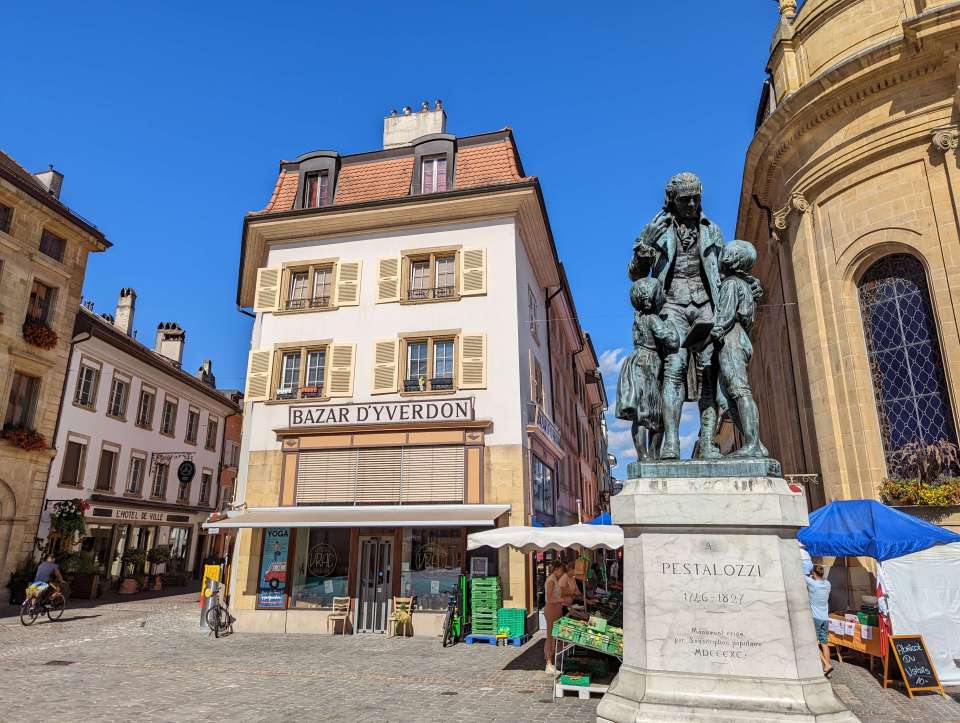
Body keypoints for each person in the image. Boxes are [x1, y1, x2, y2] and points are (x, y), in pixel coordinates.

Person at [709, 240, 768, 457]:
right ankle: (755, 444)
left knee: (740, 391)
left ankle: (753, 444)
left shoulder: (732, 284)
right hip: (739, 337)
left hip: (731, 337)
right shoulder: (744, 285)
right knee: (726, 397)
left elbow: (724, 316)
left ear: (731, 259)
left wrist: (711, 332)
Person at [615, 277, 679, 460]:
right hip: (647, 365)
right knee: (654, 415)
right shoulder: (652, 319)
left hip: (639, 363)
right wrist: (672, 326)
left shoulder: (639, 319)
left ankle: (645, 456)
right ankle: (650, 455)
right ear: (654, 297)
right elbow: (671, 340)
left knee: (642, 415)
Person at [805, 564, 833, 678]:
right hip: (825, 618)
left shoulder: (812, 583)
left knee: (812, 643)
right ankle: (828, 670)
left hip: (815, 618)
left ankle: (826, 665)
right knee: (824, 643)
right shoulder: (828, 584)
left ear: (813, 573)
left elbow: (800, 575)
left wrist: (809, 573)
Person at [543, 560, 566, 673]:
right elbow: (549, 598)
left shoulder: (554, 579)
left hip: (556, 609)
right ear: (556, 569)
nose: (562, 573)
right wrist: (561, 600)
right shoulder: (551, 580)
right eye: (561, 570)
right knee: (550, 636)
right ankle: (548, 663)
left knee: (553, 635)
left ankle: (552, 662)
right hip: (551, 609)